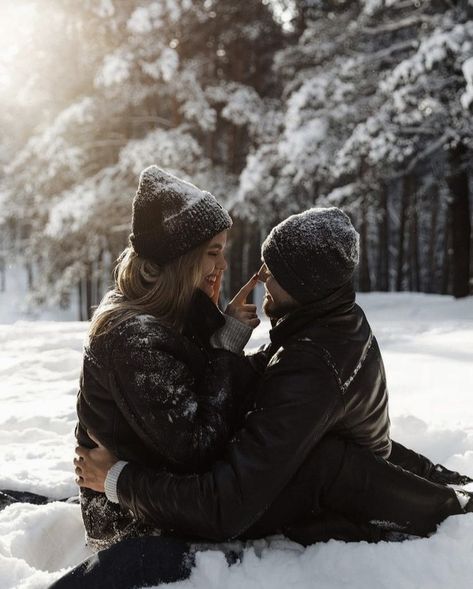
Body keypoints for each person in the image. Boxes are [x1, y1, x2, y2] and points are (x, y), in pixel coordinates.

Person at [58, 208, 472, 588]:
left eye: (271, 270)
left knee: (325, 462)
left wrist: (116, 479)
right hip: (310, 480)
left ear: (301, 283)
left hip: (295, 501)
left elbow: (225, 504)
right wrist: (223, 333)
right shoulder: (330, 325)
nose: (258, 278)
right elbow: (262, 389)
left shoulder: (311, 366)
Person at [74, 164, 261, 551]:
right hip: (131, 523)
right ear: (181, 259)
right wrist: (225, 344)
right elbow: (197, 446)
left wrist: (219, 326)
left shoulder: (173, 316)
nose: (222, 266)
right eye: (213, 253)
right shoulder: (133, 338)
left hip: (160, 497)